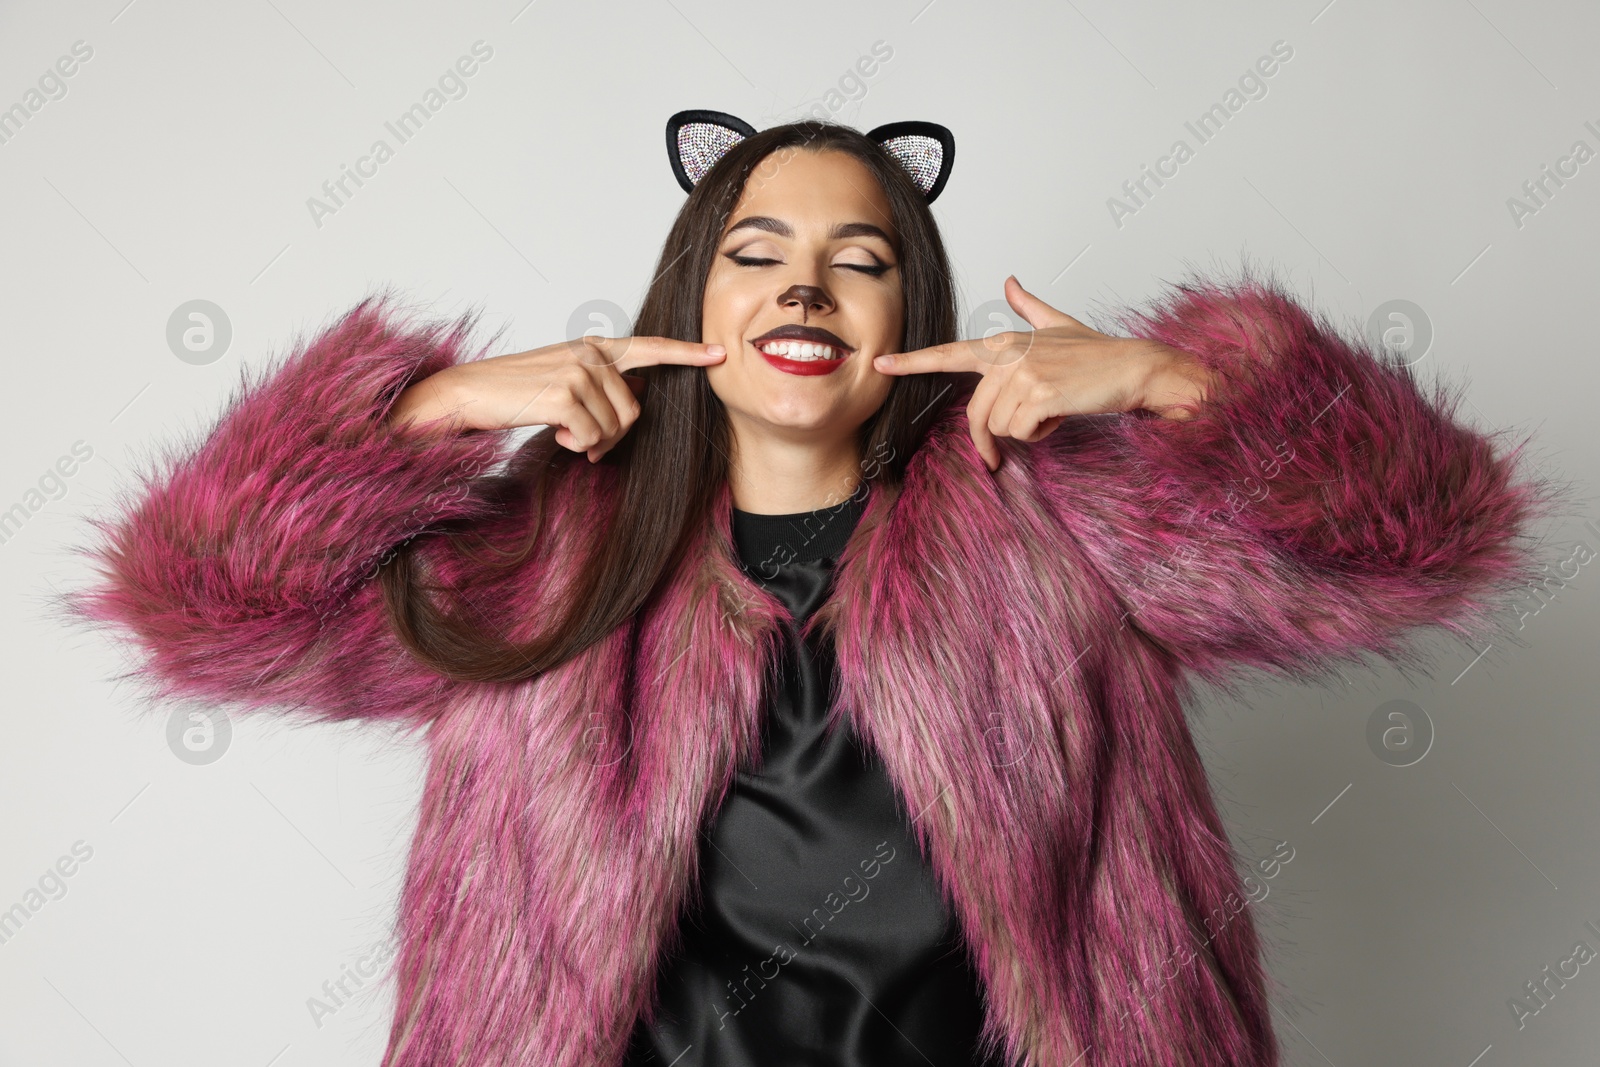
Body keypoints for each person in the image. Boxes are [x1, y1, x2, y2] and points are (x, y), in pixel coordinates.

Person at [57, 115, 1558, 1067]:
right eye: (758, 253)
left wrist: (1179, 381)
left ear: (911, 313)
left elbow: (1407, 548)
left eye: (860, 260)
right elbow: (207, 608)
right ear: (692, 300)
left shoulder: (1068, 524)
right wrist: (423, 417)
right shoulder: (544, 556)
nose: (804, 289)